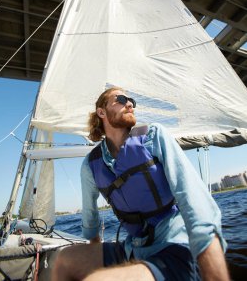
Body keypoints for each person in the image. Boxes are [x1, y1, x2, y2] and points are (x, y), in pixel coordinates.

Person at [52, 87, 230, 281]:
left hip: (174, 244)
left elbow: (193, 200)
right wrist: (94, 249)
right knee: (64, 260)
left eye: (131, 101)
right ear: (101, 112)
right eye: (120, 99)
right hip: (134, 247)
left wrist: (212, 267)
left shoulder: (153, 136)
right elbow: (90, 217)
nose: (130, 104)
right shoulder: (90, 165)